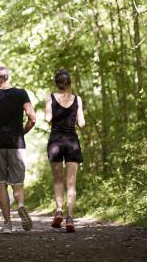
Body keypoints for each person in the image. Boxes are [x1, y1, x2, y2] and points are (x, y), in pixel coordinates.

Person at [0, 65, 37, 234]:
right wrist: (22, 132)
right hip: (16, 143)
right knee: (17, 182)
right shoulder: (21, 93)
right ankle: (20, 205)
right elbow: (32, 118)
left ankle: (7, 224)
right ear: (8, 77)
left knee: (2, 184)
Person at [44, 69, 85, 233]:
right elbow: (81, 123)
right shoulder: (77, 99)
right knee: (71, 183)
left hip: (55, 140)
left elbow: (47, 118)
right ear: (69, 83)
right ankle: (69, 217)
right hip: (72, 141)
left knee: (58, 181)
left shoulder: (50, 97)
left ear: (56, 83)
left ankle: (59, 211)